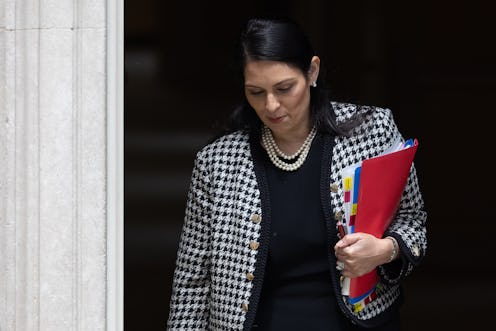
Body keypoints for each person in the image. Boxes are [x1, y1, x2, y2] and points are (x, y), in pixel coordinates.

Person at [167, 16, 427, 330]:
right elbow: (192, 281)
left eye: (284, 88)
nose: (272, 105)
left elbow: (413, 218)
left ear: (312, 71)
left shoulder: (371, 131)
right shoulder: (217, 162)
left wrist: (386, 250)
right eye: (256, 92)